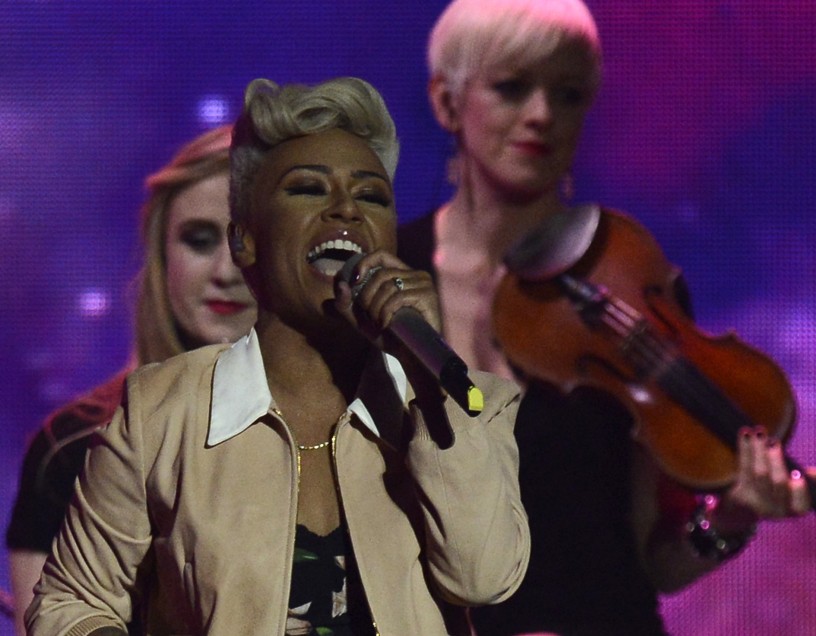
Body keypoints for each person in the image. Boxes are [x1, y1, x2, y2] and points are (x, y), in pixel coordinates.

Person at [26, 76, 529, 636]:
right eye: (309, 189)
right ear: (245, 240)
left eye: (371, 196)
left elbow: (482, 579)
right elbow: (72, 604)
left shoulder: (467, 403)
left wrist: (431, 392)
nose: (345, 210)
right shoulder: (160, 415)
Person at [398, 1, 816, 634]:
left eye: (567, 95)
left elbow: (654, 565)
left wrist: (730, 520)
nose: (541, 115)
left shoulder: (632, 282)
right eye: (511, 88)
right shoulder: (379, 280)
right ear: (446, 102)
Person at [5, 124, 257, 636]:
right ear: (160, 252)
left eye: (248, 241)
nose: (225, 270)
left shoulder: (350, 431)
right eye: (200, 239)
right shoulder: (73, 451)